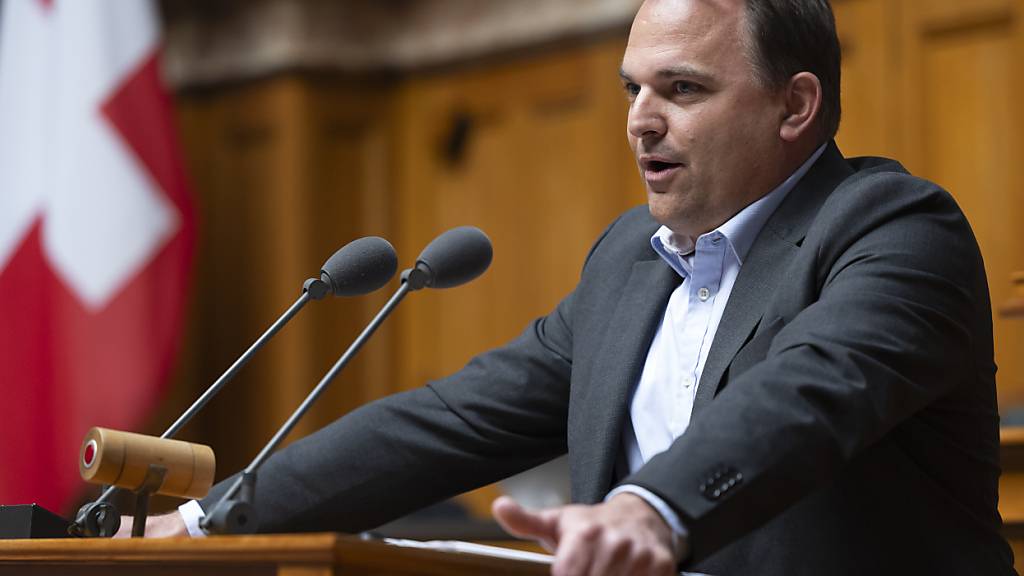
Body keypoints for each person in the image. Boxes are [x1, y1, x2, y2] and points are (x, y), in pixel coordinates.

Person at [132, 0, 1016, 574]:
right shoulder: (632, 259)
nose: (641, 120)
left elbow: (812, 393)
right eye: (633, 88)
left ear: (794, 107)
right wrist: (210, 523)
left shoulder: (894, 230)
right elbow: (455, 419)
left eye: (683, 88)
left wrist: (651, 507)